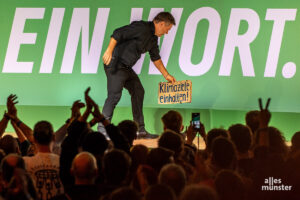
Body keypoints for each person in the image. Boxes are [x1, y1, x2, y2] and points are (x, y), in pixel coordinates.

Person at [100, 12, 177, 139]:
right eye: (167, 30)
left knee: (138, 91)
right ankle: (102, 130)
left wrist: (166, 75)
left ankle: (140, 130)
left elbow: (156, 58)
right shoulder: (142, 27)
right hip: (115, 63)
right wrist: (109, 51)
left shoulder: (153, 39)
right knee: (114, 96)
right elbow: (118, 33)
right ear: (161, 24)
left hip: (126, 68)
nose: (166, 33)